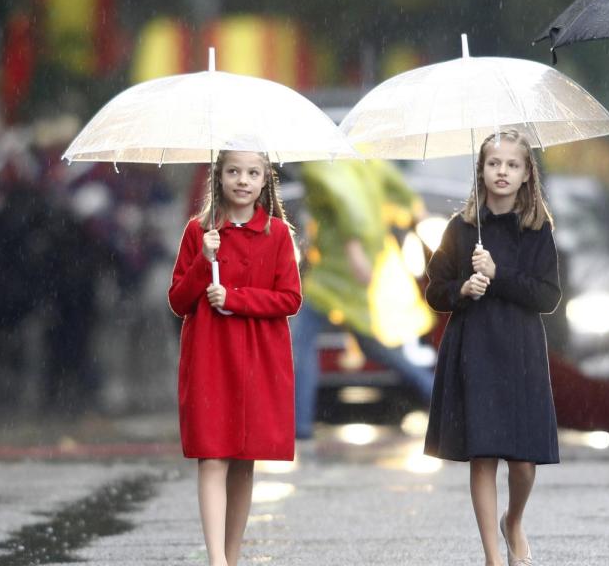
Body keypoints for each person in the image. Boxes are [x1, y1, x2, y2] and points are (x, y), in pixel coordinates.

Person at [424, 129, 561, 566]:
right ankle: (492, 557)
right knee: (481, 454)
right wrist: (462, 289)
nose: (502, 171)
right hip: (474, 349)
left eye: (512, 165)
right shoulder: (461, 228)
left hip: (520, 351)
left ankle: (513, 520)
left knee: (522, 462)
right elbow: (435, 290)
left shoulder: (537, 230)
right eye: (494, 163)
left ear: (526, 174)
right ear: (481, 170)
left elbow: (547, 296)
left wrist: (498, 275)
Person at [168, 149, 301, 566]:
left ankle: (232, 555)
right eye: (233, 171)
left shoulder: (277, 234)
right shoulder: (198, 231)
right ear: (219, 176)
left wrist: (236, 298)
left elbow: (290, 298)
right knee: (213, 456)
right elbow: (178, 301)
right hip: (211, 357)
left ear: (265, 181)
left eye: (252, 173)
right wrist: (203, 262)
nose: (243, 180)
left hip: (259, 360)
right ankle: (216, 560)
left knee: (244, 460)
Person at [293, 159, 434, 440]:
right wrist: (417, 211)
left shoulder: (317, 165)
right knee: (373, 346)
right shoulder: (367, 160)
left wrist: (354, 248)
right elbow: (400, 189)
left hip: (335, 272)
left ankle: (300, 426)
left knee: (302, 343)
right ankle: (440, 398)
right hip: (360, 266)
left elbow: (348, 203)